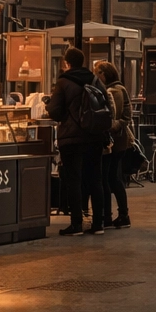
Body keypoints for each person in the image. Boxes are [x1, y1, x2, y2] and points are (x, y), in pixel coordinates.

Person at [46, 47, 109, 236]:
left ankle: (76, 224)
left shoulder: (64, 82)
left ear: (67, 63)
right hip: (94, 137)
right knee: (95, 179)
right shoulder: (96, 80)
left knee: (74, 180)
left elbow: (55, 111)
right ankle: (98, 223)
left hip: (72, 138)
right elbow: (106, 106)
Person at [95, 61, 134, 229]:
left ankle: (117, 215)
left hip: (115, 142)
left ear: (104, 74)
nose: (96, 76)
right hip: (118, 141)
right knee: (112, 177)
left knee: (110, 178)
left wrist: (111, 127)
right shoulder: (118, 88)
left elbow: (115, 115)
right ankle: (118, 215)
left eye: (98, 73)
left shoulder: (114, 90)